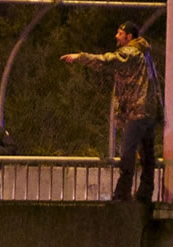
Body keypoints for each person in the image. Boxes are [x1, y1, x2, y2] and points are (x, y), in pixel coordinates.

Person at [61, 21, 163, 202]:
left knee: (127, 153)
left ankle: (122, 194)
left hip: (136, 111)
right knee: (147, 154)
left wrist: (80, 57)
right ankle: (145, 192)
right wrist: (159, 110)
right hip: (147, 112)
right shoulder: (145, 54)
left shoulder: (131, 52)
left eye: (120, 34)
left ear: (129, 37)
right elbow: (154, 83)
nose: (116, 36)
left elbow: (107, 60)